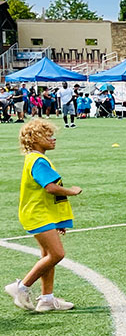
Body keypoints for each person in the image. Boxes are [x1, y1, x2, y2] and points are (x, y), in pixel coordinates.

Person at [4, 119, 82, 312]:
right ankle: (21, 287)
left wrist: (57, 220)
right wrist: (71, 191)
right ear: (35, 139)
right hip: (38, 214)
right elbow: (50, 188)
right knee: (57, 254)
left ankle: (46, 299)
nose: (53, 138)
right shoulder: (38, 161)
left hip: (40, 213)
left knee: (47, 255)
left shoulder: (34, 158)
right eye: (47, 135)